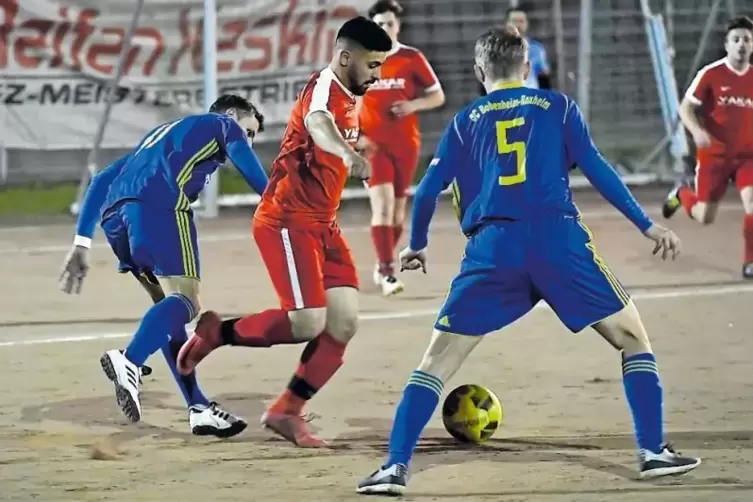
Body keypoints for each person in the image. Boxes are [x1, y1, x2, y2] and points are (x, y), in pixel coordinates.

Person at [357, 26, 700, 496]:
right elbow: (597, 168)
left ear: (479, 73)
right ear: (525, 67)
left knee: (436, 362)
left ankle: (394, 468)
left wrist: (416, 243)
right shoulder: (558, 107)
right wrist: (646, 224)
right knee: (631, 340)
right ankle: (653, 452)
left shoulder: (466, 119)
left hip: (492, 249)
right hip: (556, 239)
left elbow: (429, 189)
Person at [175, 16, 393, 448]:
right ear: (346, 57)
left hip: (322, 223)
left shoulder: (350, 93)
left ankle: (286, 411)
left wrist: (357, 150)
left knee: (343, 323)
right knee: (307, 322)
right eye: (372, 65)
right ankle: (218, 331)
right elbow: (318, 125)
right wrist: (349, 154)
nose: (377, 74)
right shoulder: (325, 87)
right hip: (287, 221)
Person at [58, 95, 269, 437]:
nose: (248, 140)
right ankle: (130, 360)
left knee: (168, 312)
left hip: (116, 217)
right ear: (231, 116)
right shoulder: (221, 124)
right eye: (249, 131)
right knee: (188, 301)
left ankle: (198, 406)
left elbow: (101, 181)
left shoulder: (160, 137)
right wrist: (275, 200)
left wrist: (81, 243)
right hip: (159, 204)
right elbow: (245, 160)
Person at [360, 0, 445, 296]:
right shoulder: (360, 59)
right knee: (381, 208)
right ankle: (387, 271)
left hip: (405, 145)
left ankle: (381, 259)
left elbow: (437, 96)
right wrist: (355, 136)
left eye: (390, 23)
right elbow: (346, 101)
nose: (385, 28)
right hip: (372, 146)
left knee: (396, 214)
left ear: (398, 25)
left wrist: (411, 104)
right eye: (379, 24)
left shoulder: (411, 57)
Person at [662, 16, 753, 279]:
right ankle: (682, 194)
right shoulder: (711, 74)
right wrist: (697, 131)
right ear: (727, 44)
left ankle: (749, 262)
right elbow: (685, 108)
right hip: (715, 156)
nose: (741, 45)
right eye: (736, 39)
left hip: (748, 157)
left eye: (747, 39)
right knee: (704, 216)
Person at [478, 7, 551, 96]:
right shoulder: (494, 48)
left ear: (527, 24)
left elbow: (543, 79)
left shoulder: (537, 49)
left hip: (530, 101)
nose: (518, 25)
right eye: (514, 21)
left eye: (521, 21)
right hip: (502, 101)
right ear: (506, 23)